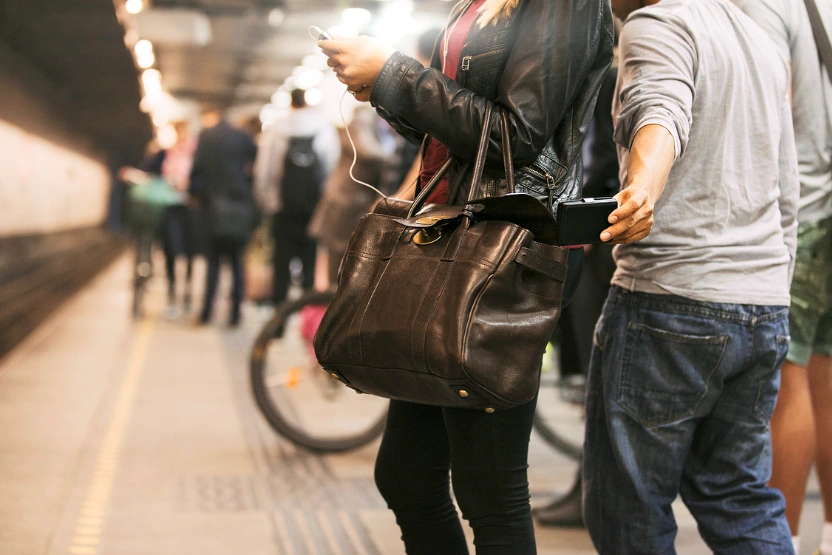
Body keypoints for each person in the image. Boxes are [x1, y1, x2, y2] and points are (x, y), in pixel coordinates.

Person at [318, 0, 613, 551]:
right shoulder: (474, 4)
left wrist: (395, 75)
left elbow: (516, 137)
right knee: (407, 474)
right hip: (455, 239)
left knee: (489, 490)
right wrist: (385, 86)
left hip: (507, 253)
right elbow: (456, 132)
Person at [582, 0, 799, 551]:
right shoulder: (762, 41)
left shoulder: (657, 24)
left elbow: (660, 109)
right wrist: (772, 288)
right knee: (740, 497)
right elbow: (787, 191)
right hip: (763, 304)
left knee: (629, 508)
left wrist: (642, 191)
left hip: (670, 301)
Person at [730, 1, 832, 552]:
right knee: (827, 384)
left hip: (805, 216)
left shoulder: (770, 5)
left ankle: (780, 541)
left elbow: (769, 109)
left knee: (786, 387)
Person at [533, 60, 621, 530]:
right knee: (590, 367)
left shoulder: (607, 72)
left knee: (595, 367)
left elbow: (604, 154)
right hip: (595, 231)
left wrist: (585, 213)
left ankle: (593, 492)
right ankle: (589, 488)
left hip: (599, 234)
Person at [253, 89, 338, 306]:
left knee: (281, 262)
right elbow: (332, 168)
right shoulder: (324, 129)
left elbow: (264, 170)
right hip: (313, 208)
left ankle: (279, 320)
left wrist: (266, 201)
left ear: (290, 103)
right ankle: (305, 317)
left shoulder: (276, 129)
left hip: (282, 207)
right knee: (309, 262)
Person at [189, 108, 258, 327]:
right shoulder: (244, 138)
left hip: (213, 208)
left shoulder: (206, 136)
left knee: (213, 263)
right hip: (239, 207)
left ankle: (207, 313)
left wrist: (195, 195)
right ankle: (235, 315)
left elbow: (196, 171)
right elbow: (256, 166)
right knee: (237, 262)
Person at [146, 121, 198, 318]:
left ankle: (186, 294)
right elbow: (149, 172)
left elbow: (202, 177)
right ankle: (172, 294)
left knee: (190, 254)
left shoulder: (195, 155)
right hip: (169, 209)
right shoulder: (164, 153)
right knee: (170, 252)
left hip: (190, 209)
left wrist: (191, 186)